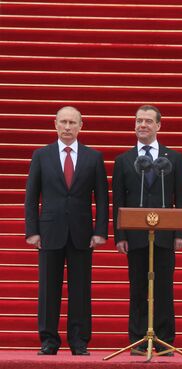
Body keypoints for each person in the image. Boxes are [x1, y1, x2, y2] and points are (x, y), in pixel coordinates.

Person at [24, 106, 109, 356]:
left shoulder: (93, 157)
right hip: (49, 231)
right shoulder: (42, 155)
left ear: (81, 126)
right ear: (55, 124)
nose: (68, 127)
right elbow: (31, 196)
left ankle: (79, 340)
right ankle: (49, 340)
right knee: (48, 289)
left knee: (81, 289)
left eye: (73, 122)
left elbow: (102, 199)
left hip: (82, 232)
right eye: (63, 122)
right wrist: (32, 230)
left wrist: (100, 230)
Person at [112, 105, 182, 355]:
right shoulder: (123, 160)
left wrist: (181, 233)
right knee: (137, 287)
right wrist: (120, 235)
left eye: (147, 121)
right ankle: (137, 338)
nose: (141, 125)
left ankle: (164, 340)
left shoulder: (174, 158)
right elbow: (118, 201)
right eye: (138, 120)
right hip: (135, 235)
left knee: (164, 288)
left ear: (158, 126)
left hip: (166, 234)